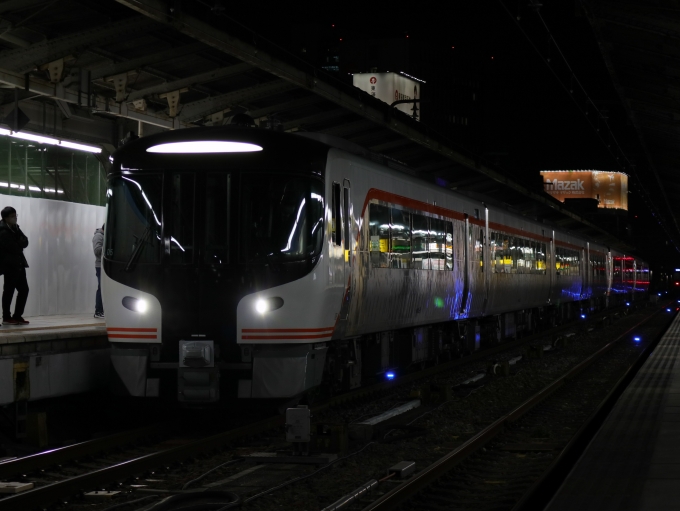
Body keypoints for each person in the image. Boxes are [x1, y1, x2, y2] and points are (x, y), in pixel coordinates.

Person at [0, 207, 29, 325]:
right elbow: (13, 247)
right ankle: (6, 316)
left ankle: (17, 315)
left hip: (19, 264)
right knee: (9, 290)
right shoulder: (3, 230)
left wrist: (19, 243)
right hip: (9, 265)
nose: (15, 218)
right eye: (12, 216)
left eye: (15, 215)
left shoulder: (15, 228)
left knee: (24, 290)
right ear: (6, 218)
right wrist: (19, 243)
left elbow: (25, 241)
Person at [92, 223, 105, 319]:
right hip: (100, 266)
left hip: (105, 265)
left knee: (103, 288)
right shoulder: (98, 236)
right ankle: (98, 311)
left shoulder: (103, 236)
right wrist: (108, 246)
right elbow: (97, 251)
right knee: (101, 288)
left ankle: (102, 310)